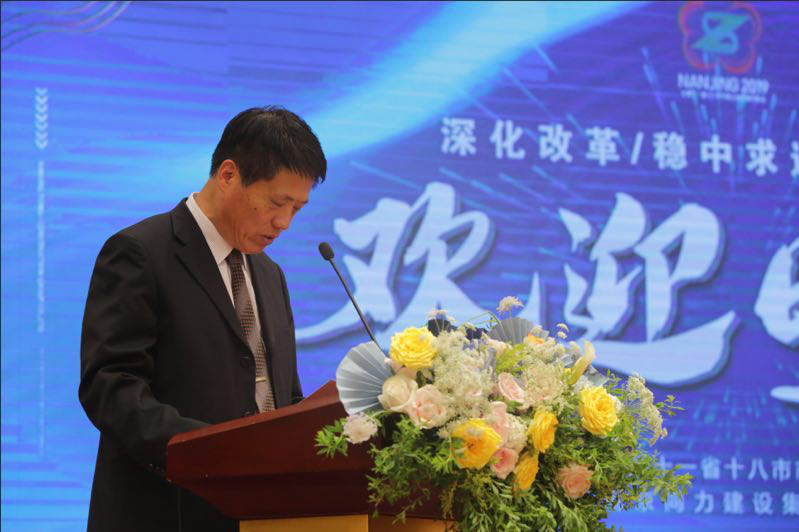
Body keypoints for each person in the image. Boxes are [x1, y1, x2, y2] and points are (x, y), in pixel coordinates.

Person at [79, 106, 326, 532]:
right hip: (167, 512)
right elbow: (111, 387)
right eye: (276, 203)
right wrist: (212, 454)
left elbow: (282, 396)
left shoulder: (270, 274)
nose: (284, 222)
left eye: (297, 209)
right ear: (228, 175)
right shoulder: (140, 253)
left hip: (262, 515)